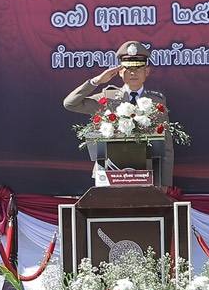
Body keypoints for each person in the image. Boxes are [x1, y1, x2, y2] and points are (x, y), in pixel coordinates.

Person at [62, 39, 173, 186]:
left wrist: (165, 182)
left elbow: (166, 144)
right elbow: (70, 103)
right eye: (128, 68)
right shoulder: (107, 97)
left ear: (147, 71)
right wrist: (96, 81)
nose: (133, 73)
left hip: (147, 172)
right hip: (110, 171)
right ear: (120, 72)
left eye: (138, 68)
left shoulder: (156, 101)